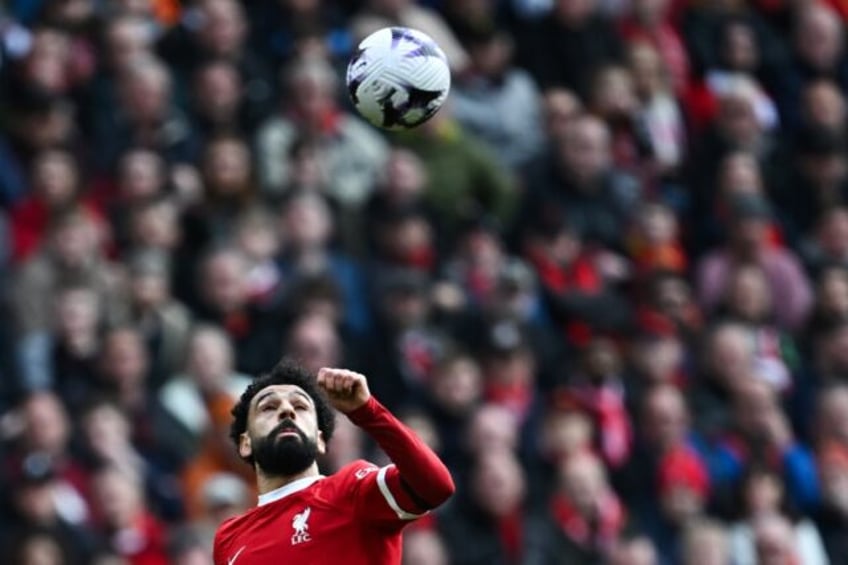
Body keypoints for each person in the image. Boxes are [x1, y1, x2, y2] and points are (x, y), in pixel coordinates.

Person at [213, 362, 456, 564]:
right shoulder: (228, 538)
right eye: (268, 407)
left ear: (320, 439)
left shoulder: (352, 489)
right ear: (246, 443)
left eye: (300, 406)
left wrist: (367, 411)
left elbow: (436, 487)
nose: (287, 411)